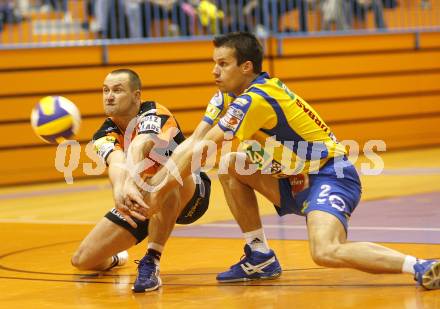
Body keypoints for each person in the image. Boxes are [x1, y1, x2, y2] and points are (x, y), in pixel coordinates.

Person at [124, 32, 440, 290]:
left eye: (223, 64)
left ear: (246, 67)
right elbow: (194, 140)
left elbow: (203, 148)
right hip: (291, 179)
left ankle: (419, 265)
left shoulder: (257, 98)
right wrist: (155, 186)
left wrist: (156, 195)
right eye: (214, 63)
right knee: (232, 164)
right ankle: (260, 254)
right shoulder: (225, 98)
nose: (214, 71)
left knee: (325, 251)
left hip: (330, 175)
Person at [71, 68, 211, 293]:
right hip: (143, 198)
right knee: (82, 260)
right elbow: (116, 161)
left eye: (117, 90)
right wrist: (120, 187)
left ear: (136, 96)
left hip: (191, 192)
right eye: (105, 90)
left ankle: (151, 262)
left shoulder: (155, 113)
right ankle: (117, 258)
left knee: (162, 178)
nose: (109, 96)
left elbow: (140, 145)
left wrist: (130, 181)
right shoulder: (103, 134)